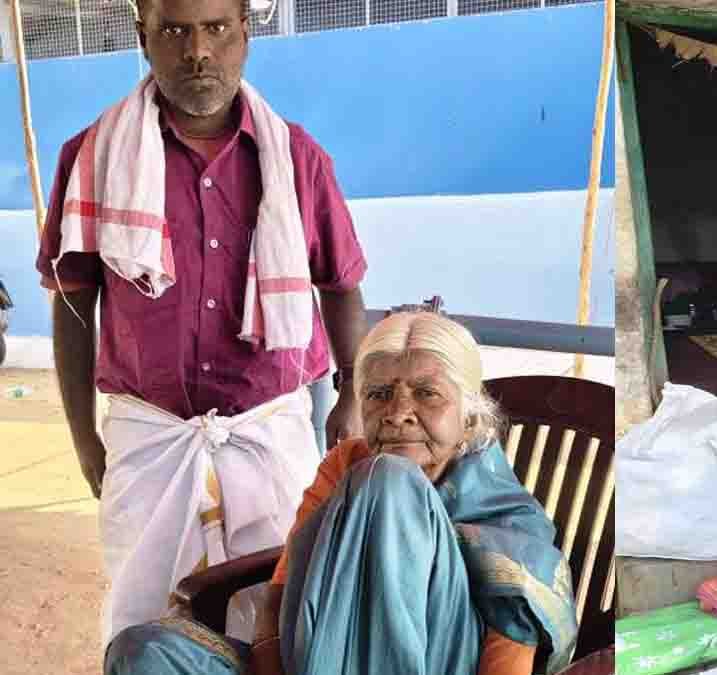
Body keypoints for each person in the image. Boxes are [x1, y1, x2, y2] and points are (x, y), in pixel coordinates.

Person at [33, 0, 367, 645]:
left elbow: (342, 285)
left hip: (270, 435)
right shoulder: (94, 157)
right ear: (144, 37)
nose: (197, 52)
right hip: (149, 441)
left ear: (245, 33)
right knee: (146, 624)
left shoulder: (296, 158)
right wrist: (83, 437)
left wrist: (350, 393)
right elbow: (73, 307)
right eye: (175, 31)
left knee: (278, 621)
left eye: (216, 28)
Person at [104, 312, 579, 675]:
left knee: (389, 481)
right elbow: (281, 593)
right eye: (378, 394)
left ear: (469, 416)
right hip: (312, 657)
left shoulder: (509, 524)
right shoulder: (347, 464)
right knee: (141, 651)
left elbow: (507, 658)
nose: (398, 412)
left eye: (426, 394)